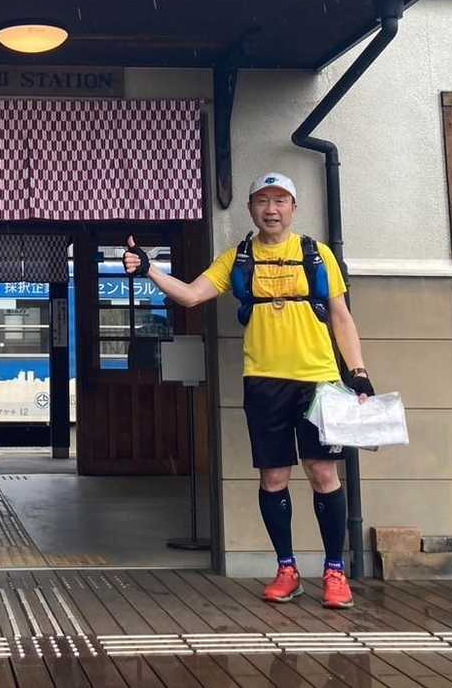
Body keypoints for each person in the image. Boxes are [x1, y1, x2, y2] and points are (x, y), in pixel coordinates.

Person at [124, 171, 375, 609]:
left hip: (319, 381)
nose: (271, 210)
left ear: (293, 208)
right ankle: (287, 569)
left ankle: (335, 571)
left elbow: (341, 315)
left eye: (280, 201)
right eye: (263, 201)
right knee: (273, 478)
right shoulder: (238, 258)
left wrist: (358, 372)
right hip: (263, 381)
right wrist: (150, 270)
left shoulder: (316, 254)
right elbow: (191, 295)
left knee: (323, 474)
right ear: (251, 208)